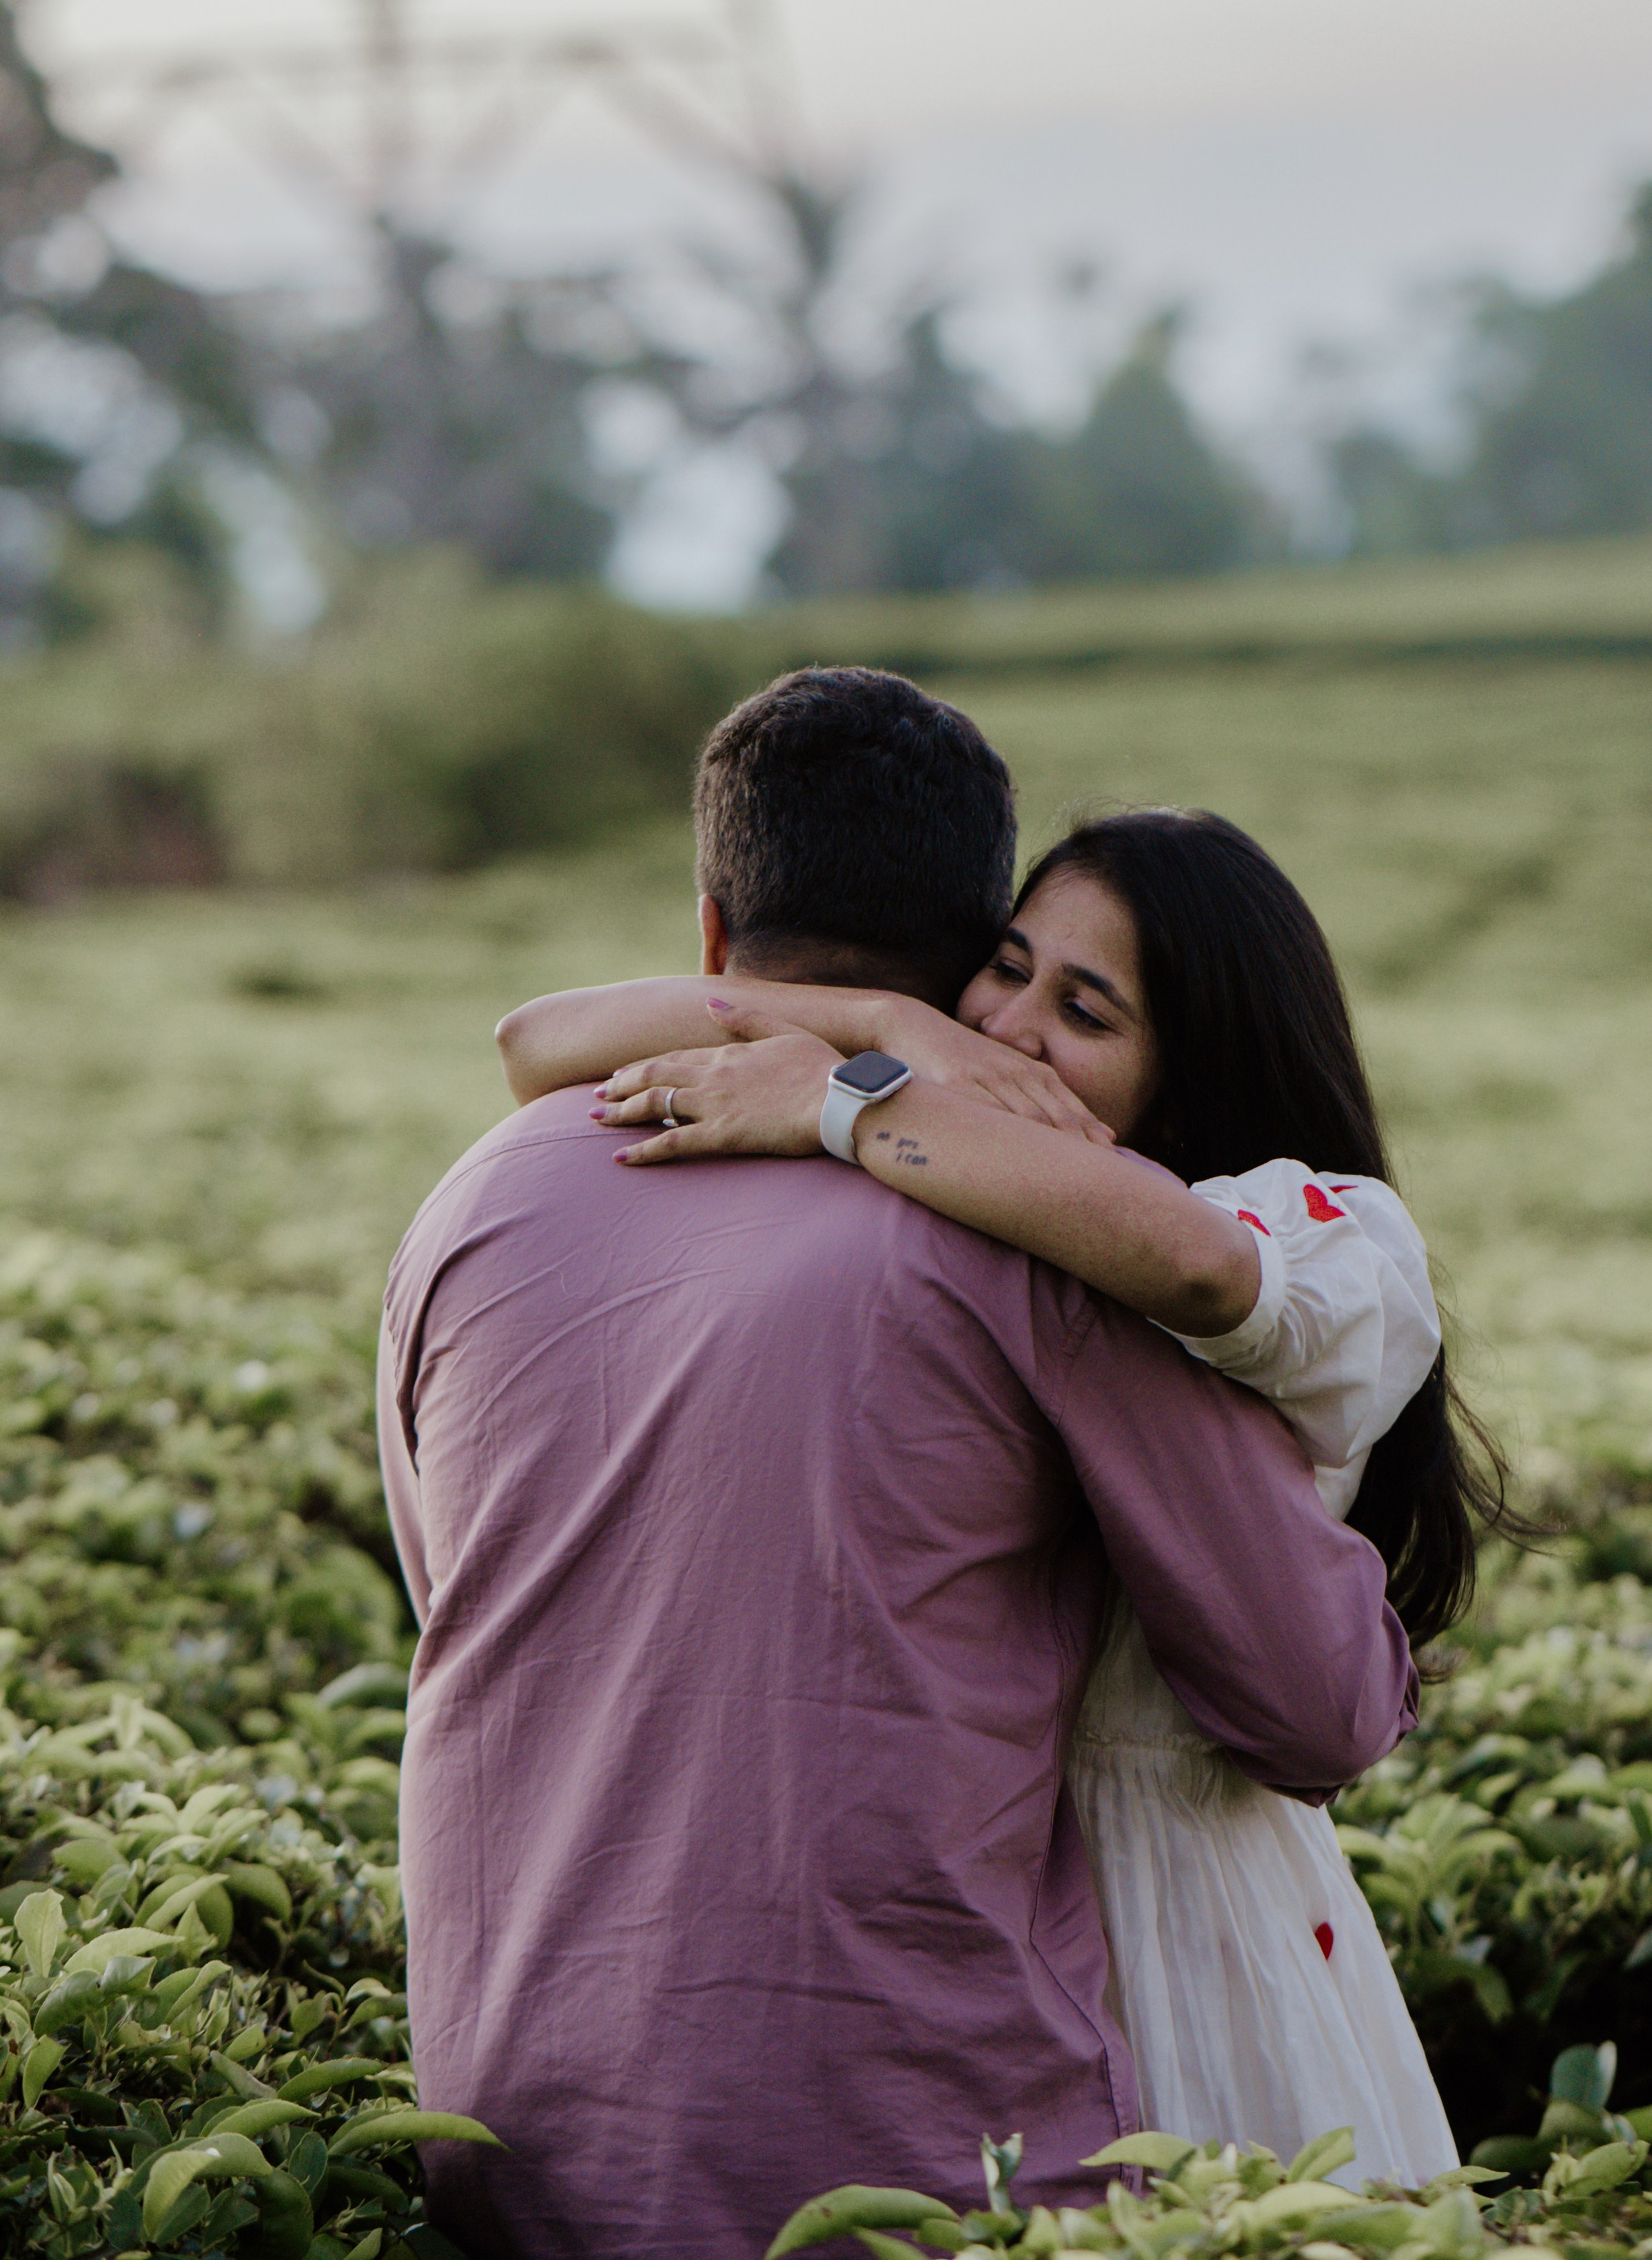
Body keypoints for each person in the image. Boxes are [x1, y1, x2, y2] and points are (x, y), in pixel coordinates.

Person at [380, 669, 1417, 2260]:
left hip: (507, 2149)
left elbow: (465, 1610)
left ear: (711, 932)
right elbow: (1316, 1701)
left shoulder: (470, 1206)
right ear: (959, 972)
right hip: (927, 2167)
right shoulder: (1030, 1239)